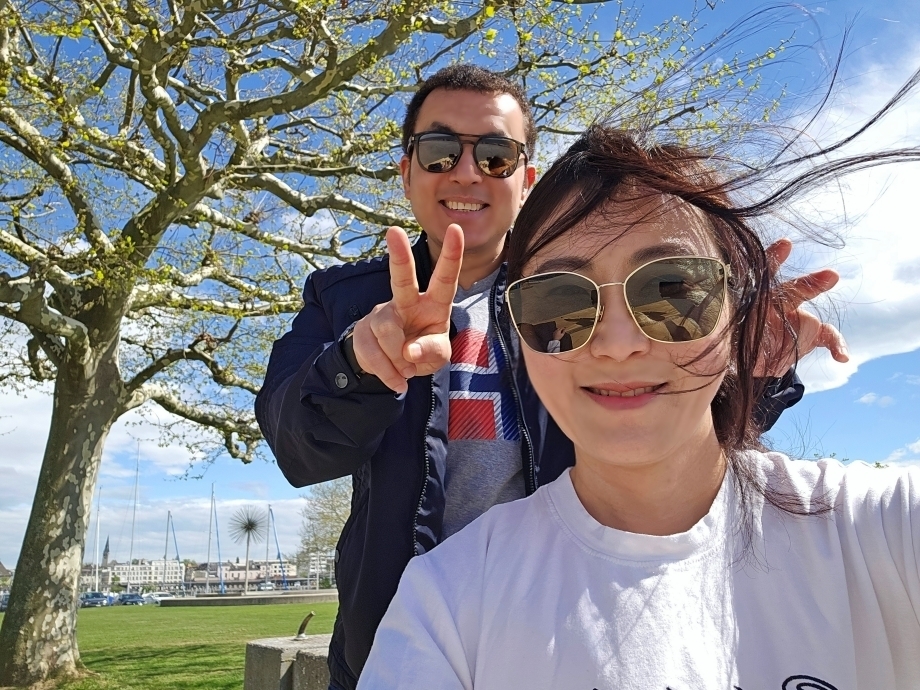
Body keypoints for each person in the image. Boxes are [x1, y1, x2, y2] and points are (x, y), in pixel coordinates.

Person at [255, 65, 848, 690]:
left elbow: (672, 431)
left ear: (526, 180)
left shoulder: (583, 287)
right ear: (406, 172)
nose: (467, 172)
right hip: (393, 634)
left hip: (575, 626)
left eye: (495, 155)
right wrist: (358, 366)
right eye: (439, 151)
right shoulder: (343, 298)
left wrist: (750, 362)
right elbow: (297, 449)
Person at [357, 125, 920, 689]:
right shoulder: (449, 597)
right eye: (559, 302)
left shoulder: (878, 529)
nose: (617, 343)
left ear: (737, 313)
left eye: (673, 292)